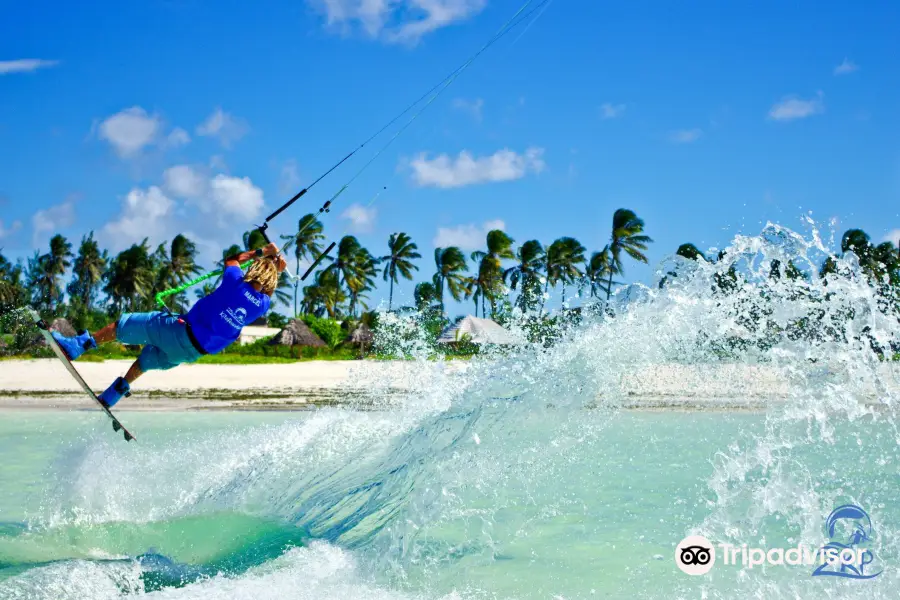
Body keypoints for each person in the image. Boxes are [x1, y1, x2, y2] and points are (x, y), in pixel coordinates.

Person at [52, 243, 288, 407]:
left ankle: (78, 346)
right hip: (190, 354)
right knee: (145, 360)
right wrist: (277, 269)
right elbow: (266, 288)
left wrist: (262, 252)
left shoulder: (234, 282)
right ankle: (113, 395)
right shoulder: (262, 305)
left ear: (253, 270)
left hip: (179, 332)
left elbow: (232, 260)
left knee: (122, 326)